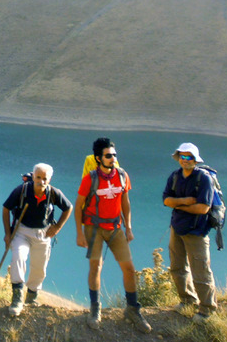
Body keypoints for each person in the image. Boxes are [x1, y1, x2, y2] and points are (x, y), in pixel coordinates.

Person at [74, 137, 151, 333]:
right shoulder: (89, 179)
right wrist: (79, 233)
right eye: (108, 156)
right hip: (94, 228)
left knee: (129, 268)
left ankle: (133, 309)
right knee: (96, 267)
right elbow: (78, 206)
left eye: (114, 155)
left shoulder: (123, 176)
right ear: (98, 158)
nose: (113, 159)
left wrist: (129, 227)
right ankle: (95, 309)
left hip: (115, 228)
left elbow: (125, 202)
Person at [2, 163, 72, 316]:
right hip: (22, 231)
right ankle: (17, 299)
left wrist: (58, 227)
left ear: (50, 179)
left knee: (39, 267)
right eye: (38, 177)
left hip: (43, 234)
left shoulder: (53, 193)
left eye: (44, 178)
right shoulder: (22, 190)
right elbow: (6, 208)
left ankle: (32, 297)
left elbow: (68, 208)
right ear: (33, 176)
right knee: (18, 257)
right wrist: (8, 234)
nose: (41, 181)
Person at [162, 142, 217, 322]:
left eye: (189, 157)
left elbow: (203, 208)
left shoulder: (204, 179)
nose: (185, 160)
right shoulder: (175, 176)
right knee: (177, 266)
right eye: (182, 157)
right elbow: (166, 200)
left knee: (200, 270)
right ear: (178, 158)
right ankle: (187, 300)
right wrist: (185, 201)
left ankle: (207, 309)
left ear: (195, 159)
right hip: (177, 228)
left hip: (196, 231)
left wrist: (177, 204)